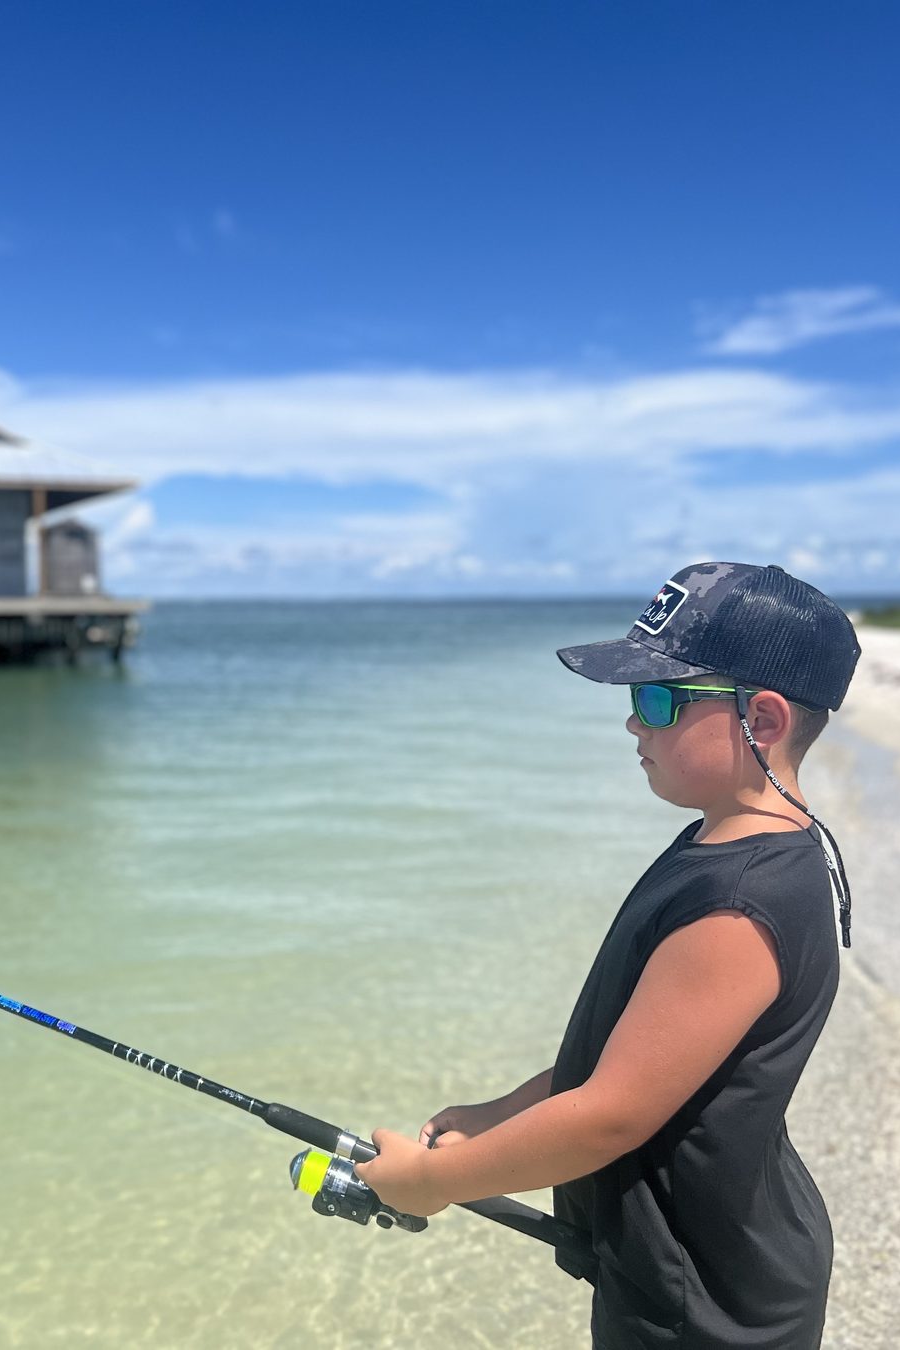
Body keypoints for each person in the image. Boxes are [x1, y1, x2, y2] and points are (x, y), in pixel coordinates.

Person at [356, 561, 860, 1350]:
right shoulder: (715, 842)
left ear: (761, 719)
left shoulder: (739, 904)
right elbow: (629, 1056)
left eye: (656, 700)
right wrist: (496, 1118)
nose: (634, 725)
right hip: (696, 1261)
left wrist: (431, 1184)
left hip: (708, 1302)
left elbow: (608, 1118)